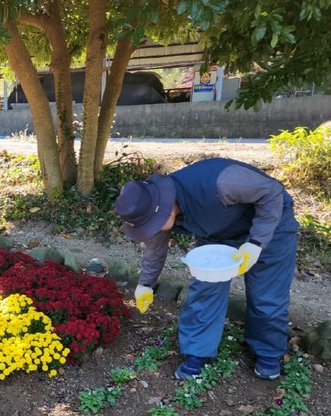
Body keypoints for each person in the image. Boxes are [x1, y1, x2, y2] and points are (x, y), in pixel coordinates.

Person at [114, 157, 299, 381]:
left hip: (270, 224)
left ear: (163, 209)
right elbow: (155, 250)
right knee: (204, 290)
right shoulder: (151, 212)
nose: (150, 230)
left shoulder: (222, 181)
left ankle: (268, 352)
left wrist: (256, 242)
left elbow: (271, 191)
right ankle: (198, 352)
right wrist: (145, 284)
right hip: (217, 233)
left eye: (151, 225)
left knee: (266, 294)